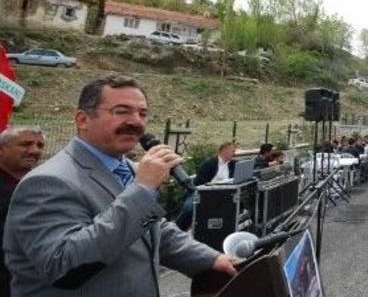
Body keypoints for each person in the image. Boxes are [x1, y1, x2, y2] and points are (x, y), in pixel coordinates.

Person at [4, 75, 235, 297]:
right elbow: (63, 265)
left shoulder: (130, 169)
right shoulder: (47, 182)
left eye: (142, 113)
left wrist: (212, 259)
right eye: (121, 111)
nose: (136, 122)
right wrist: (143, 189)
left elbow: (154, 231)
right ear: (83, 120)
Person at [0, 126, 45, 297]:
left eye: (40, 146)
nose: (34, 150)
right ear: (1, 149)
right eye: (25, 144)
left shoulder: (44, 184)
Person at [175, 141, 237, 230]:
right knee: (189, 207)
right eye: (232, 151)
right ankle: (178, 229)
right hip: (203, 192)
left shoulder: (232, 164)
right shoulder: (209, 164)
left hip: (224, 193)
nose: (234, 153)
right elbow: (198, 183)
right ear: (224, 150)